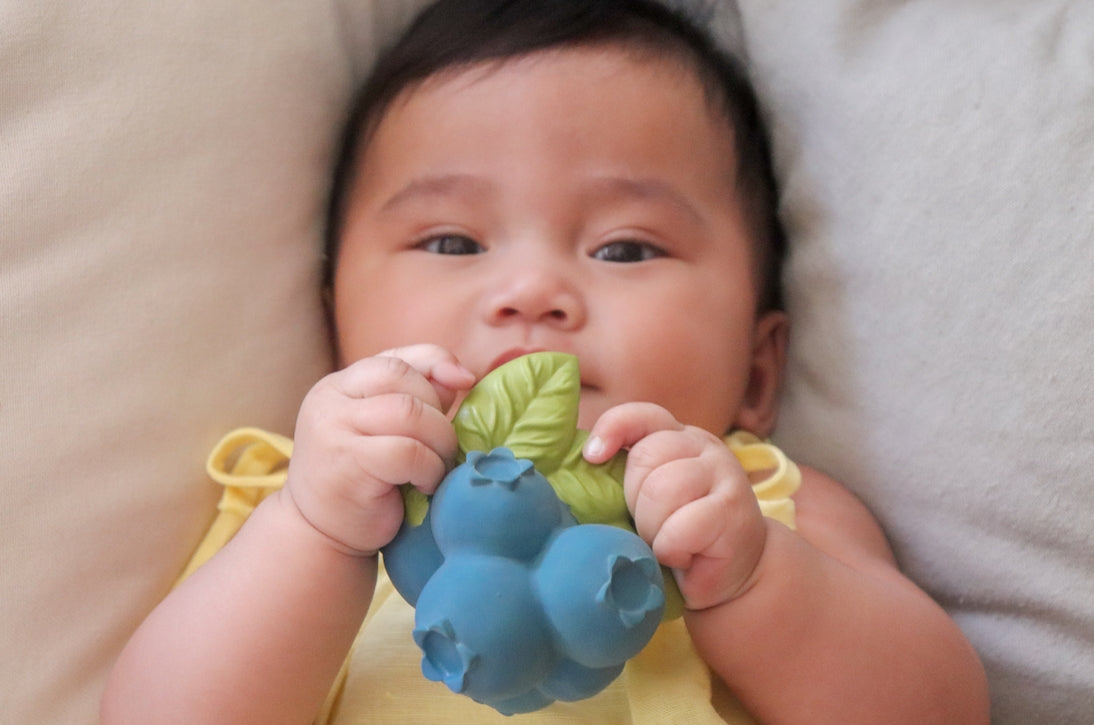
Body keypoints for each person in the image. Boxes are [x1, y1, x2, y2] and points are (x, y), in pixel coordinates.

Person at [101, 0, 989, 722]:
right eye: (452, 240)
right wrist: (317, 533)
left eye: (626, 249)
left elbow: (942, 709)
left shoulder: (764, 503)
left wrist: (756, 581)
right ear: (331, 321)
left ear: (759, 372)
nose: (531, 291)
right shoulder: (299, 503)